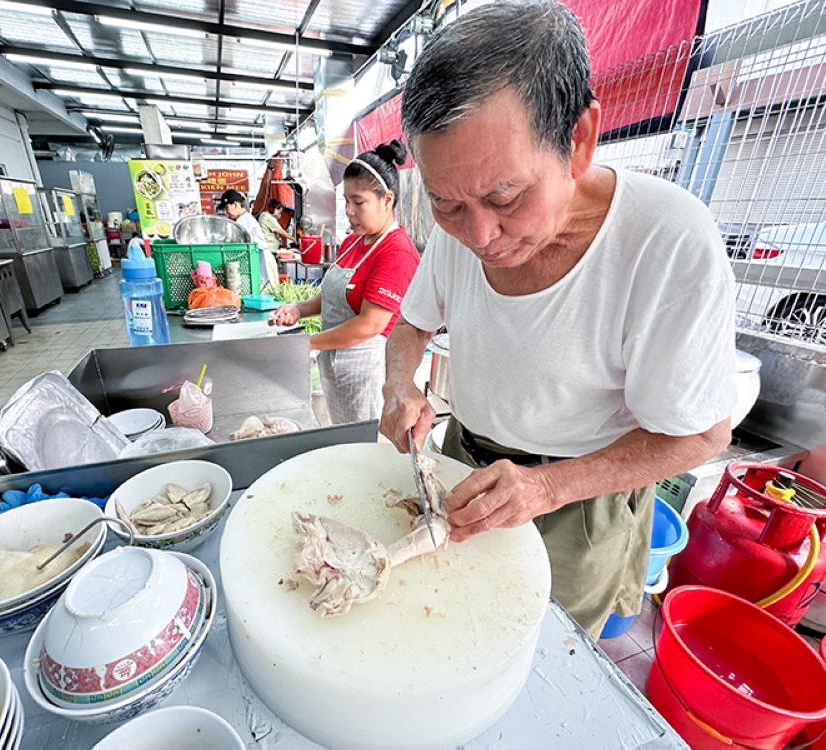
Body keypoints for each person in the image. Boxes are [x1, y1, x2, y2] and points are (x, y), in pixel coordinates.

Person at [379, 0, 736, 638]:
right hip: (463, 466)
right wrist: (400, 386)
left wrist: (547, 490)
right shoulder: (459, 227)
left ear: (578, 139)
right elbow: (410, 326)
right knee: (443, 629)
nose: (480, 235)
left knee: (543, 655)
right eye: (446, 204)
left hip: (577, 502)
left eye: (504, 196)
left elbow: (702, 436)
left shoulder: (667, 241)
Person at [271, 140, 420, 425]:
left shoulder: (396, 251)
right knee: (343, 434)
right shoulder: (353, 242)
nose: (349, 211)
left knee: (366, 445)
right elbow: (334, 295)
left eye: (358, 202)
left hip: (367, 373)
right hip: (336, 367)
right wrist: (300, 309)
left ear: (386, 200)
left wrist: (306, 345)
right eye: (346, 202)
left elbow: (371, 324)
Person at [218, 189, 277, 289]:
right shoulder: (245, 218)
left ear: (235, 205)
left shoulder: (243, 221)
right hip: (261, 257)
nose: (227, 212)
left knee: (265, 291)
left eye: (227, 207)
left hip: (262, 259)